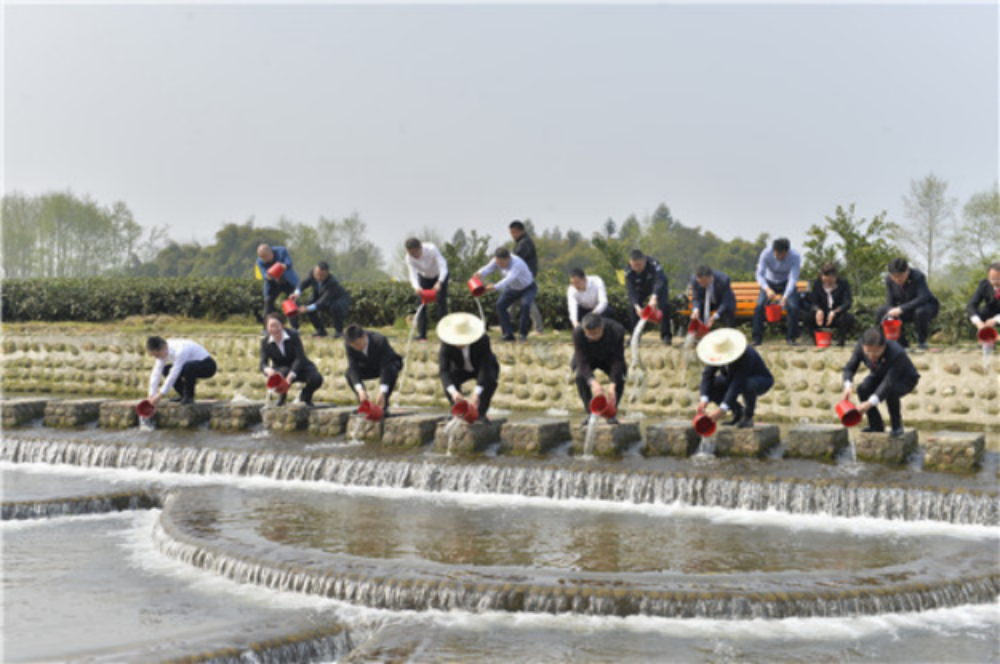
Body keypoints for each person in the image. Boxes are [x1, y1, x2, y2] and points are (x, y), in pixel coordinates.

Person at [842, 327, 920, 436]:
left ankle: (897, 426)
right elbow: (850, 368)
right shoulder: (860, 346)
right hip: (879, 374)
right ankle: (876, 426)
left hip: (904, 379)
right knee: (863, 389)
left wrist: (870, 403)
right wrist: (848, 386)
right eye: (868, 352)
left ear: (884, 346)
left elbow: (888, 383)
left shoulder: (896, 353)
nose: (871, 356)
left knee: (891, 391)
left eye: (876, 352)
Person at [697, 328, 774, 429]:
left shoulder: (746, 354)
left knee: (748, 384)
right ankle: (738, 411)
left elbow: (737, 383)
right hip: (732, 378)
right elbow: (707, 375)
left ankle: (748, 416)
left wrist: (722, 409)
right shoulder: (717, 351)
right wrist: (704, 400)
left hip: (760, 379)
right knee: (712, 385)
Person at [437, 312, 500, 422]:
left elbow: (485, 367)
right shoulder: (446, 344)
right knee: (450, 381)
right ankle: (456, 410)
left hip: (483, 367)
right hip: (459, 368)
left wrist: (477, 392)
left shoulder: (482, 340)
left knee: (490, 381)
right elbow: (444, 371)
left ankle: (481, 413)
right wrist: (454, 392)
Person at [259, 312, 324, 407]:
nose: (274, 329)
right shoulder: (265, 342)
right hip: (282, 369)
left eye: (277, 326)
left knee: (316, 378)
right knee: (281, 373)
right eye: (271, 326)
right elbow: (262, 363)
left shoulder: (293, 335)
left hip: (300, 367)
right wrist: (267, 370)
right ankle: (282, 399)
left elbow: (300, 357)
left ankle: (305, 397)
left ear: (283, 325)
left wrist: (292, 374)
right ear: (267, 328)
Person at [572, 312, 627, 425]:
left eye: (596, 334)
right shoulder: (578, 332)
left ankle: (611, 412)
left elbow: (618, 358)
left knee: (619, 378)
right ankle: (589, 412)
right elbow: (581, 359)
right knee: (580, 376)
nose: (593, 337)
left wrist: (612, 384)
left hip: (610, 357)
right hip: (588, 358)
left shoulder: (617, 330)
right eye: (589, 335)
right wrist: (592, 382)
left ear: (602, 327)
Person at [474, 247, 538, 342]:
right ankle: (508, 334)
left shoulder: (517, 263)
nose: (499, 265)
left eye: (501, 263)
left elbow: (508, 279)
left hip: (528, 288)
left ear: (508, 258)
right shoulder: (496, 261)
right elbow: (487, 269)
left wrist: (494, 287)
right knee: (500, 305)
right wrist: (479, 274)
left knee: (525, 305)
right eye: (498, 263)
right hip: (513, 288)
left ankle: (523, 335)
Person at [875, 257, 940, 350]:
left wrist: (901, 308)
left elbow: (923, 297)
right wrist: (891, 312)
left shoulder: (918, 276)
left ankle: (922, 342)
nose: (897, 279)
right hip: (905, 309)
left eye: (900, 276)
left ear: (907, 271)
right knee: (881, 311)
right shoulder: (889, 280)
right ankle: (901, 342)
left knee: (920, 312)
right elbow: (890, 301)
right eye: (894, 276)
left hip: (925, 307)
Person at [751, 237, 801, 346]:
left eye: (781, 254)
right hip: (769, 282)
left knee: (793, 307)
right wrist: (767, 289)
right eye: (776, 253)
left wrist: (785, 296)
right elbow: (759, 275)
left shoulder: (795, 256)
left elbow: (793, 278)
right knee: (759, 306)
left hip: (786, 282)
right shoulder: (766, 253)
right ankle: (756, 338)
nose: (778, 256)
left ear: (787, 252)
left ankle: (791, 338)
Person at [344, 324, 404, 414]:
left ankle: (383, 405)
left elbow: (385, 366)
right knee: (349, 373)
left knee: (391, 370)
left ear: (364, 336)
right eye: (354, 346)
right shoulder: (349, 345)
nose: (357, 348)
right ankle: (364, 404)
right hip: (368, 366)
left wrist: (382, 391)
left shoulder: (380, 340)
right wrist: (360, 390)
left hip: (388, 364)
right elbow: (353, 367)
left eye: (358, 344)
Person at [146, 336, 217, 406]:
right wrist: (152, 395)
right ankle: (183, 395)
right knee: (166, 369)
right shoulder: (163, 352)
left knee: (188, 366)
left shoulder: (180, 350)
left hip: (208, 366)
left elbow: (174, 374)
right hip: (189, 366)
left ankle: (189, 397)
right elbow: (156, 372)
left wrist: (160, 395)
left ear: (164, 347)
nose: (157, 358)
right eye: (155, 356)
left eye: (157, 355)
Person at [291, 261, 352, 338]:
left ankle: (339, 332)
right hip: (322, 297)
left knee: (334, 308)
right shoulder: (312, 274)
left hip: (339, 298)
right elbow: (303, 284)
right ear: (314, 271)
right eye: (317, 274)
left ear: (327, 274)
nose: (318, 277)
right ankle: (321, 331)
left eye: (322, 275)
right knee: (309, 307)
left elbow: (323, 301)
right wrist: (296, 293)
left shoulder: (332, 282)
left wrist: (307, 308)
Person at [404, 238, 449, 342]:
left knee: (441, 302)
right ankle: (422, 335)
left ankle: (444, 334)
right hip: (424, 277)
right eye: (411, 254)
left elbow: (443, 266)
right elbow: (412, 274)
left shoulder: (431, 249)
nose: (414, 256)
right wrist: (416, 287)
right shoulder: (409, 258)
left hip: (439, 275)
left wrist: (440, 282)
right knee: (421, 304)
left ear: (420, 247)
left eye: (415, 253)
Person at [625, 249, 672, 345]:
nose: (637, 268)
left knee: (665, 305)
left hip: (657, 287)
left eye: (639, 265)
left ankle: (666, 335)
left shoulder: (654, 264)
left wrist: (654, 297)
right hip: (640, 288)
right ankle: (635, 336)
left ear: (645, 260)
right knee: (632, 307)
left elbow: (660, 281)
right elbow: (631, 291)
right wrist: (637, 306)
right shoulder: (628, 271)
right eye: (634, 266)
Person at [804, 262, 855, 346]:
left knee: (848, 318)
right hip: (822, 315)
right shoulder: (817, 283)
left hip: (836, 315)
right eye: (825, 281)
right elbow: (813, 301)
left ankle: (840, 341)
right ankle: (817, 339)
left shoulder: (843, 283)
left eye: (830, 281)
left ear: (835, 277)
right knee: (807, 317)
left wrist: (835, 311)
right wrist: (818, 310)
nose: (827, 283)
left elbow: (847, 302)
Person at [509, 220, 544, 334]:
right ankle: (506, 324)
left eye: (514, 232)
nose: (513, 235)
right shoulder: (521, 242)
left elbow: (514, 259)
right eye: (511, 233)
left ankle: (539, 329)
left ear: (521, 231)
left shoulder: (524, 243)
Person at [256, 243, 300, 330]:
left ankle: (295, 328)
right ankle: (267, 329)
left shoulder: (281, 251)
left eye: (265, 256)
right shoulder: (260, 261)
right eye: (261, 257)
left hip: (287, 282)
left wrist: (283, 265)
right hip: (273, 284)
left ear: (271, 252)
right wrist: (267, 276)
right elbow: (264, 274)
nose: (264, 259)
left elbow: (289, 263)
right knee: (268, 302)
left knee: (292, 303)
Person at [689, 265, 737, 330]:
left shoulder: (723, 279)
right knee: (698, 313)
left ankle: (730, 331)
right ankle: (700, 332)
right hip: (708, 303)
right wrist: (696, 310)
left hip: (724, 303)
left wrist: (716, 315)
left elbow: (725, 302)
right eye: (700, 282)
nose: (702, 285)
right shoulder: (695, 280)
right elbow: (696, 298)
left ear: (711, 277)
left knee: (728, 311)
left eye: (704, 282)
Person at [966, 261, 1000, 336]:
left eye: (998, 279)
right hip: (989, 312)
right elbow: (971, 305)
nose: (995, 282)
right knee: (972, 315)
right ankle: (985, 335)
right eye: (992, 279)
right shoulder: (984, 284)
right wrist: (978, 322)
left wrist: (996, 320)